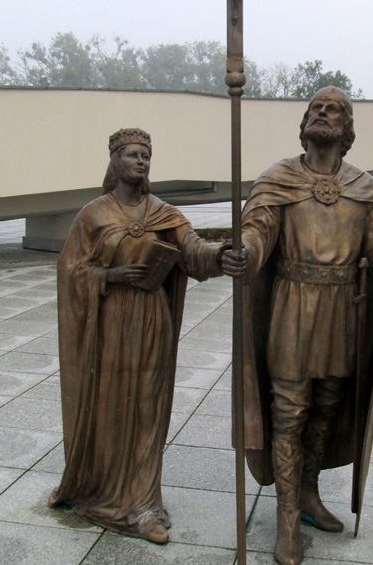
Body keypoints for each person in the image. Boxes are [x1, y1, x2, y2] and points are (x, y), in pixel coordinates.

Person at [227, 87, 373, 565]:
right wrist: (245, 252)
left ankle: (308, 492)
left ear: (347, 129)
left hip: (341, 311)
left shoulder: (365, 188)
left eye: (334, 110)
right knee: (289, 412)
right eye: (316, 108)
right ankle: (286, 515)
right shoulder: (278, 179)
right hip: (292, 306)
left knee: (326, 409)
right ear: (304, 123)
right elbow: (257, 230)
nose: (323, 114)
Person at [49, 127, 244, 543]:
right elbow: (70, 271)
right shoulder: (94, 215)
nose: (141, 161)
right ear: (115, 160)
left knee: (147, 410)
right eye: (133, 155)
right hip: (110, 326)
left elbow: (193, 250)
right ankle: (101, 491)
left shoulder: (163, 213)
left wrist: (220, 254)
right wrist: (111, 275)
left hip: (153, 323)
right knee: (111, 408)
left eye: (146, 156)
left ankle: (144, 504)